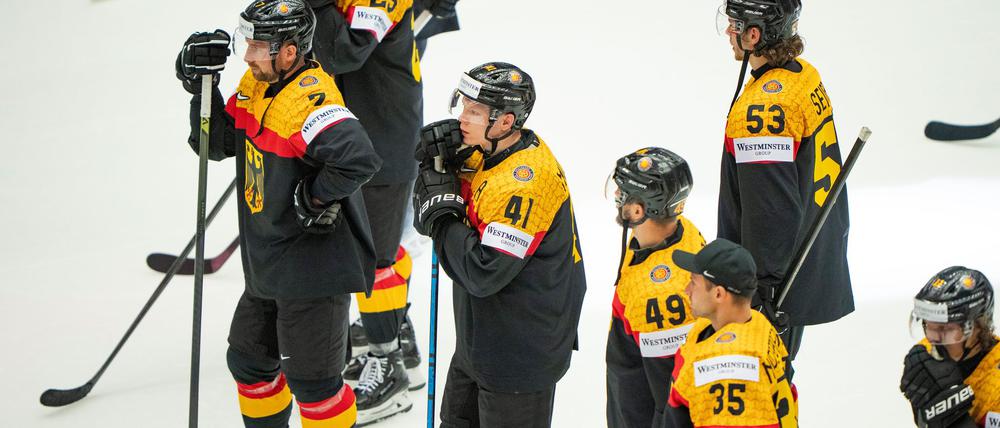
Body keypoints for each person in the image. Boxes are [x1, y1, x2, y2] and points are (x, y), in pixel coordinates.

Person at [174, 1, 381, 426]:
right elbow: (216, 145)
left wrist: (316, 197)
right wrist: (203, 91)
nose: (247, 55)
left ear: (289, 52)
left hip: (313, 271)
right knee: (249, 361)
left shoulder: (309, 98)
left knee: (315, 387)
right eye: (247, 43)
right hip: (269, 261)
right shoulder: (257, 86)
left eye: (257, 46)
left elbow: (358, 157)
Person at [411, 62, 587, 427]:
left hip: (521, 356)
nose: (462, 119)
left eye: (474, 112)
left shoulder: (525, 182)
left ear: (506, 122)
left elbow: (482, 271)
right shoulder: (486, 152)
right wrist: (437, 166)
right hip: (480, 341)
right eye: (463, 107)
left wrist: (443, 217)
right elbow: (428, 211)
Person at [715, 0, 853, 372]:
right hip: (802, 260)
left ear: (754, 34)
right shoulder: (803, 75)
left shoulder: (762, 112)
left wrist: (758, 293)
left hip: (774, 285)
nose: (729, 32)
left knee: (764, 383)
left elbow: (770, 212)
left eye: (734, 25)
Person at [306, 0, 426, 423]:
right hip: (353, 135)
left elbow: (343, 51)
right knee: (375, 250)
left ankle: (389, 365)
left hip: (382, 140)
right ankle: (395, 337)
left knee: (376, 257)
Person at [604, 148, 706, 428]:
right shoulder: (681, 230)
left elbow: (666, 392)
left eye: (621, 193)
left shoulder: (660, 292)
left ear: (638, 211)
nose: (615, 197)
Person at [666, 239, 798, 427]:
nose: (686, 290)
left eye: (693, 283)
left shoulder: (728, 370)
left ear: (718, 294)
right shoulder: (756, 323)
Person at [900, 266, 999, 428]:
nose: (933, 340)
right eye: (928, 325)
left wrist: (952, 417)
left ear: (979, 326)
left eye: (946, 329)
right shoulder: (926, 353)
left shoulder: (996, 383)